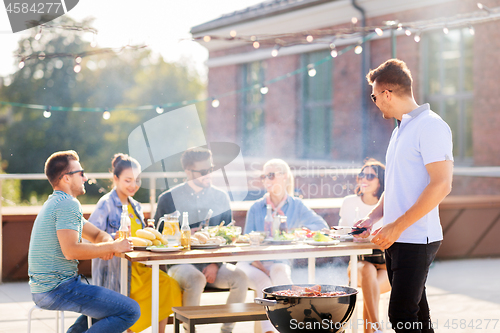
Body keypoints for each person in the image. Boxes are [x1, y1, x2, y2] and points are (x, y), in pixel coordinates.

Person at [356, 59, 453, 333]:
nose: (374, 102)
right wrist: (373, 216)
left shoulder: (431, 126)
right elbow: (397, 185)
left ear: (387, 93)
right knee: (417, 315)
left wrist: (397, 226)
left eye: (375, 96)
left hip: (416, 237)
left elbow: (442, 184)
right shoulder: (401, 129)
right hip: (397, 237)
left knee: (401, 315)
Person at [28, 150, 140, 333]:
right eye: (80, 173)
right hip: (57, 289)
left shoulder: (58, 202)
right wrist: (111, 246)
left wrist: (106, 246)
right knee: (130, 310)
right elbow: (70, 251)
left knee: (107, 310)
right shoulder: (67, 204)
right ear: (66, 178)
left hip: (47, 289)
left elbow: (97, 235)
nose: (86, 178)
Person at [154, 147, 248, 333]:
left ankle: (227, 330)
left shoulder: (220, 197)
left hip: (213, 264)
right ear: (188, 171)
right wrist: (183, 236)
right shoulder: (167, 198)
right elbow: (158, 239)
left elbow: (230, 236)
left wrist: (216, 264)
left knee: (241, 278)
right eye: (203, 171)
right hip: (180, 264)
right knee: (196, 279)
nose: (209, 175)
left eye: (211, 169)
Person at [89, 153, 182, 333]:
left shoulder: (137, 206)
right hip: (116, 270)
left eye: (137, 180)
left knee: (169, 285)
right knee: (133, 299)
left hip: (137, 267)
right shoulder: (106, 204)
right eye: (128, 180)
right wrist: (111, 241)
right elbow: (90, 235)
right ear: (115, 179)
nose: (134, 185)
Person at [238, 158, 329, 333]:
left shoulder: (296, 205)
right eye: (264, 176)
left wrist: (299, 231)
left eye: (271, 175)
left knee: (281, 277)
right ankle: (270, 331)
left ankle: (291, 326)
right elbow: (246, 245)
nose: (266, 180)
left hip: (278, 261)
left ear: (284, 177)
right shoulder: (256, 207)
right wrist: (261, 266)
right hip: (251, 262)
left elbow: (321, 226)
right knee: (265, 282)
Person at [339, 158, 391, 333]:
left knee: (372, 288)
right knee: (368, 270)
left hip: (385, 265)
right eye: (362, 175)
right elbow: (341, 234)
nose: (364, 179)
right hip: (358, 264)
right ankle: (376, 328)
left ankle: (373, 330)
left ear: (380, 181)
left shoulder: (388, 204)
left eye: (370, 176)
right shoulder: (349, 202)